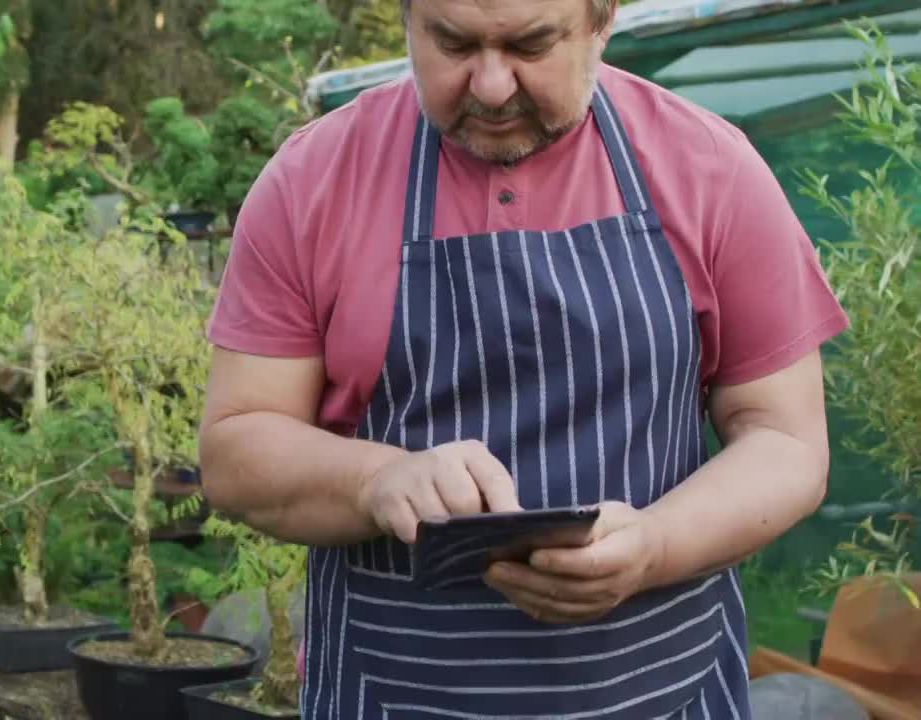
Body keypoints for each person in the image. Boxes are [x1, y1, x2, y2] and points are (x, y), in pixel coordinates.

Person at [196, 0, 850, 717]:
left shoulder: (710, 170)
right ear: (410, 19)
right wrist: (374, 481)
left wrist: (655, 545)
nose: (491, 86)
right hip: (393, 694)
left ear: (602, 23)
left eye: (531, 45)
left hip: (662, 691)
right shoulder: (314, 181)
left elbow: (786, 441)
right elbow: (236, 449)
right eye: (453, 43)